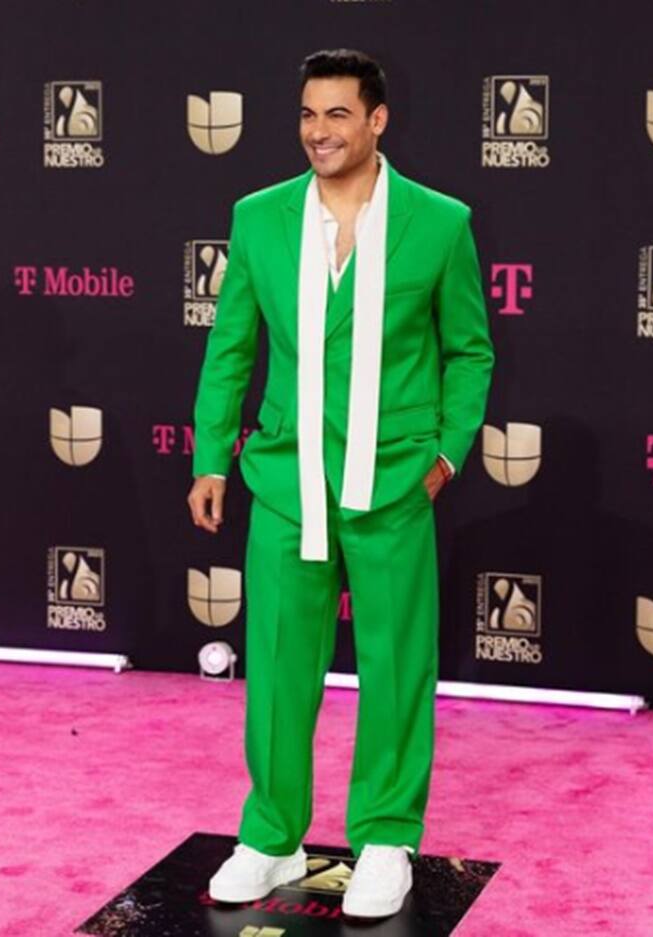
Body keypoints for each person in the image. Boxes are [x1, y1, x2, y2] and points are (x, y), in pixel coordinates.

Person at [188, 48, 494, 919]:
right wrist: (214, 457)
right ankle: (273, 836)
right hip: (286, 479)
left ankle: (387, 837)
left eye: (338, 116)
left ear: (377, 120)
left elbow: (470, 349)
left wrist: (444, 454)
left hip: (395, 480)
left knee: (399, 664)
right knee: (279, 668)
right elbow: (231, 349)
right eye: (308, 116)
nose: (319, 133)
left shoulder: (439, 223)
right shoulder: (260, 217)